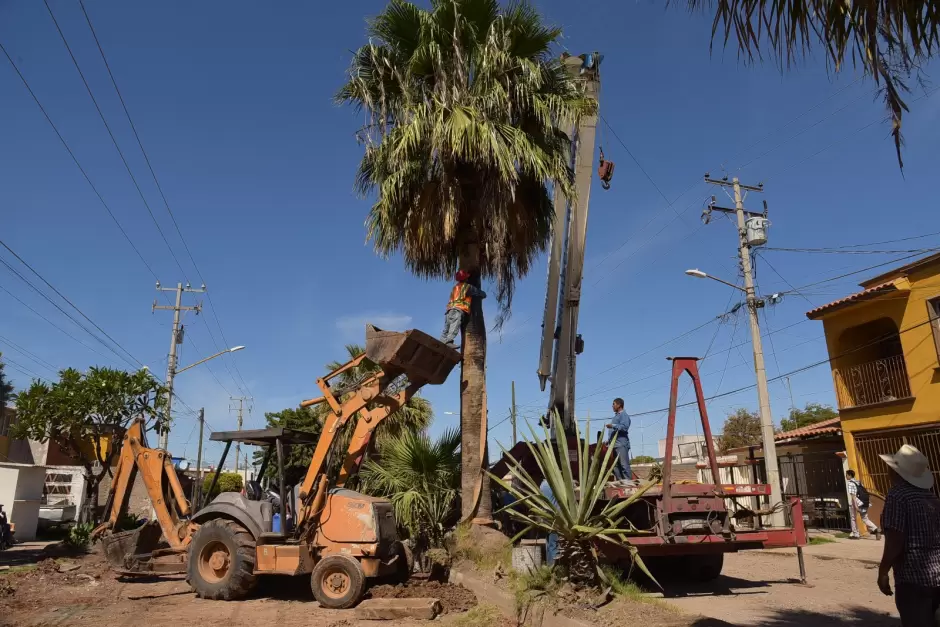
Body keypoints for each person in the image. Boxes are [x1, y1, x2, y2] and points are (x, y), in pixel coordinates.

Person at [876, 444, 940, 626]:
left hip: (913, 579)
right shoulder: (930, 497)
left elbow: (895, 539)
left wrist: (883, 572)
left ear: (897, 473)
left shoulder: (897, 496)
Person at [439, 270, 486, 347]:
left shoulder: (455, 287)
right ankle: (448, 342)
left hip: (449, 310)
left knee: (446, 328)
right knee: (454, 327)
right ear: (465, 279)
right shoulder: (468, 287)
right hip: (458, 310)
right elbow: (482, 294)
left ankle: (441, 342)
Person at [846, 469, 881, 539]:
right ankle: (876, 529)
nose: (846, 476)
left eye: (846, 475)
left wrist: (855, 506)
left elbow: (853, 495)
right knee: (865, 518)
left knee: (853, 518)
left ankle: (855, 534)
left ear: (850, 475)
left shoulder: (850, 483)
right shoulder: (859, 482)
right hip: (864, 503)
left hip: (856, 503)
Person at [605, 397, 632, 481]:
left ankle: (628, 484)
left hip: (621, 444)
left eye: (614, 404)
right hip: (614, 445)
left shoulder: (624, 415)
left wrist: (613, 425)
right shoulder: (616, 416)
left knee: (624, 465)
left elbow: (624, 427)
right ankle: (621, 482)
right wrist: (608, 441)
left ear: (619, 405)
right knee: (615, 466)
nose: (612, 406)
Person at [539, 477, 558, 565]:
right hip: (555, 518)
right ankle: (555, 566)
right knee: (554, 543)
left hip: (545, 517)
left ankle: (549, 564)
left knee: (548, 541)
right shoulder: (553, 485)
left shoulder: (542, 485)